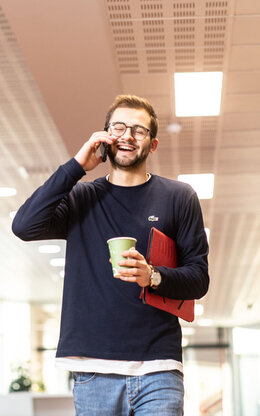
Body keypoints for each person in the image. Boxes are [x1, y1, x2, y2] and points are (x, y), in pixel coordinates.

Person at [12, 94, 209, 415]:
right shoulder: (81, 197)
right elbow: (24, 225)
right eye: (119, 128)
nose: (128, 136)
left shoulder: (178, 196)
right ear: (105, 137)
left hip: (158, 367)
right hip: (93, 368)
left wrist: (154, 276)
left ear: (153, 144)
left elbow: (199, 279)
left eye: (139, 130)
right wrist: (76, 167)